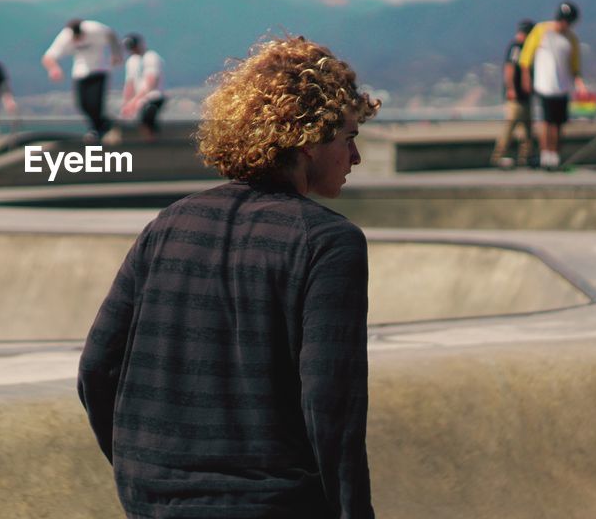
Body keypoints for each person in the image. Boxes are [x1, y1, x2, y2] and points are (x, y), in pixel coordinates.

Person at [79, 35, 379, 519]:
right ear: (306, 139)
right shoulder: (327, 242)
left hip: (150, 495)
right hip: (269, 502)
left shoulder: (169, 222)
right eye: (348, 139)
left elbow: (97, 366)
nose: (356, 158)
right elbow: (331, 405)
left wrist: (142, 468)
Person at [519, 1, 587, 170]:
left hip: (562, 88)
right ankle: (546, 155)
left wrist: (580, 84)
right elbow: (526, 58)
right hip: (544, 86)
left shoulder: (571, 38)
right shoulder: (541, 31)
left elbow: (575, 66)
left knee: (558, 124)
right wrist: (526, 79)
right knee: (546, 123)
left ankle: (555, 155)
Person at [42, 18, 122, 142]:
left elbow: (112, 36)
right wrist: (54, 69)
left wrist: (116, 53)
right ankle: (104, 125)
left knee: (95, 103)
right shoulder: (65, 37)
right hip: (80, 73)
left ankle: (96, 130)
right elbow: (48, 57)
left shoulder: (95, 29)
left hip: (99, 70)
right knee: (83, 104)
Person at [490, 18, 537, 168]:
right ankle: (499, 156)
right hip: (516, 96)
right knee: (511, 126)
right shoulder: (516, 47)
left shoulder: (526, 48)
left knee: (528, 129)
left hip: (525, 95)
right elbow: (509, 69)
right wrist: (511, 89)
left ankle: (527, 156)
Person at [119, 32, 166, 141]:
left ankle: (153, 138)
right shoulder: (131, 61)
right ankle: (149, 139)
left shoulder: (151, 57)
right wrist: (126, 102)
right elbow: (129, 83)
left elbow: (152, 81)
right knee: (141, 120)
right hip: (139, 98)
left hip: (154, 96)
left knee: (147, 116)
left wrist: (135, 100)